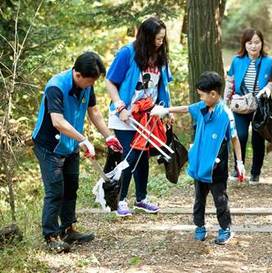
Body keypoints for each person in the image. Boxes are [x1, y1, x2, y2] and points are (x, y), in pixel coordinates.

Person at [32, 52, 123, 253]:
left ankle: (68, 228)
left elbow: (94, 112)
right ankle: (51, 235)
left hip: (70, 144)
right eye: (88, 82)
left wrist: (109, 136)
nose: (90, 86)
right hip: (49, 146)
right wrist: (82, 139)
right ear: (77, 74)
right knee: (55, 191)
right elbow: (57, 121)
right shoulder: (55, 86)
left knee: (71, 187)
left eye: (93, 82)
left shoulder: (87, 86)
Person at [150, 71, 245, 245]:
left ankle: (225, 229)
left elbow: (235, 139)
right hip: (199, 163)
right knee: (199, 198)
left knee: (220, 199)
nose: (200, 98)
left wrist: (240, 163)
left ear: (214, 94)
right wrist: (164, 110)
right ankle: (199, 226)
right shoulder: (202, 107)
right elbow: (186, 108)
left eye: (202, 95)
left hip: (216, 166)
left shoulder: (225, 114)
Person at [106, 17, 173, 216]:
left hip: (148, 116)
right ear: (146, 37)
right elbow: (110, 82)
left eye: (162, 39)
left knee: (143, 157)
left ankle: (141, 198)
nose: (160, 42)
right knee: (130, 155)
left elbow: (163, 86)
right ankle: (120, 199)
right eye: (157, 39)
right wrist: (120, 107)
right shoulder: (127, 53)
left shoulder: (160, 56)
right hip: (125, 114)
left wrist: (166, 110)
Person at [224, 28, 272, 184]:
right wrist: (226, 100)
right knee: (239, 136)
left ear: (261, 43)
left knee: (257, 139)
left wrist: (269, 88)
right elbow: (230, 81)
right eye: (250, 43)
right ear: (244, 44)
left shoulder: (269, 61)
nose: (253, 46)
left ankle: (255, 171)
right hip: (240, 104)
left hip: (260, 106)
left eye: (257, 42)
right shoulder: (237, 60)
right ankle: (237, 167)